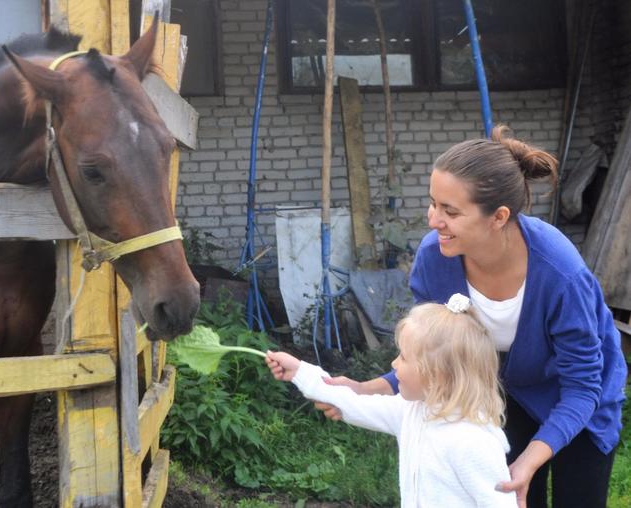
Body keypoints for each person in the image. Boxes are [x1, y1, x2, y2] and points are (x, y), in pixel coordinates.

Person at [301, 125, 627, 508]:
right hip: (505, 391)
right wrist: (363, 390)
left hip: (579, 396)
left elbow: (582, 386)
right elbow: (432, 354)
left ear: (498, 217)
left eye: (450, 211)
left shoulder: (561, 274)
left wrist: (528, 461)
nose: (433, 220)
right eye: (433, 204)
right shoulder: (435, 259)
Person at [266, 295, 518, 508]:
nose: (394, 363)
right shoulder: (412, 411)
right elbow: (354, 402)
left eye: (404, 357)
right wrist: (300, 371)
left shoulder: (473, 442)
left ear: (437, 374)